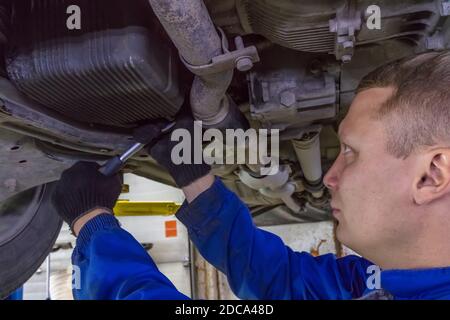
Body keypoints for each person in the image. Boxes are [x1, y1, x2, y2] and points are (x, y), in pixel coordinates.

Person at [52, 51, 450, 300]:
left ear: (432, 175)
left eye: (351, 152)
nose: (331, 176)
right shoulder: (379, 281)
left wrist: (93, 225)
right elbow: (280, 280)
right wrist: (194, 177)